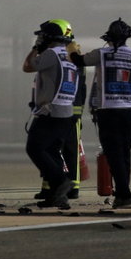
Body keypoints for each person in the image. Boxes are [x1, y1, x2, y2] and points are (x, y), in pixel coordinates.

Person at [83, 17, 131, 208]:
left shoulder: (102, 54)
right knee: (124, 153)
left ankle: (124, 194)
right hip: (130, 111)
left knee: (113, 154)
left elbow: (78, 61)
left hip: (109, 111)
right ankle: (123, 194)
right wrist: (127, 84)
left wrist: (71, 46)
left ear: (109, 38)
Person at [22, 18, 80, 209]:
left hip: (50, 111)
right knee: (52, 150)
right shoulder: (71, 55)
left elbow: (28, 66)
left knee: (35, 148)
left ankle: (61, 181)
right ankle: (58, 196)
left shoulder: (51, 54)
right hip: (66, 111)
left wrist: (36, 48)